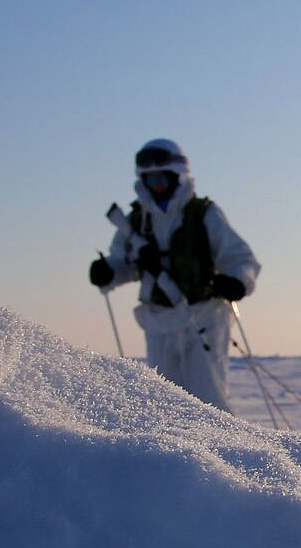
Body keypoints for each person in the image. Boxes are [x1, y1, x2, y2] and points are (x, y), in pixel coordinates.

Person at [90, 139, 260, 413]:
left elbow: (240, 258)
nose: (156, 184)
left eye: (161, 177)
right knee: (163, 400)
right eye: (150, 178)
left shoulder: (203, 214)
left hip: (203, 318)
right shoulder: (135, 220)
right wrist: (107, 272)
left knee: (208, 397)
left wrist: (238, 281)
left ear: (176, 176)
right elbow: (125, 263)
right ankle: (170, 452)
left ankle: (217, 449)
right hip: (158, 322)